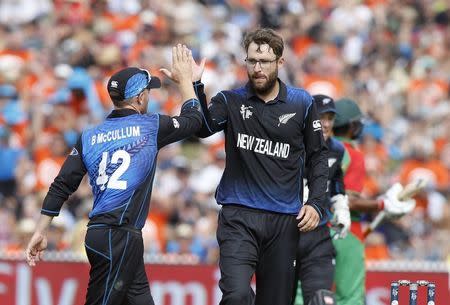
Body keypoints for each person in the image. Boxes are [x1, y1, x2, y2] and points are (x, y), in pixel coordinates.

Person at [25, 44, 203, 305]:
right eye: (148, 92)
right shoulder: (150, 125)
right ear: (140, 97)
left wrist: (41, 229)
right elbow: (194, 120)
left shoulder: (90, 135)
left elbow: (61, 185)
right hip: (118, 234)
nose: (150, 96)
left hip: (103, 233)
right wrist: (187, 82)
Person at [183, 28, 328, 305]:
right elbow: (203, 129)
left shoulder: (301, 103)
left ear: (280, 63)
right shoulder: (230, 100)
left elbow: (318, 157)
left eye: (265, 61)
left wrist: (317, 203)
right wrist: (196, 86)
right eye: (252, 61)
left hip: (284, 220)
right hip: (239, 216)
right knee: (236, 295)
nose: (257, 68)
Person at [331, 98, 416, 305]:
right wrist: (382, 205)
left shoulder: (319, 150)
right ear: (352, 126)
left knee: (304, 293)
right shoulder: (352, 154)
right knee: (349, 297)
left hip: (314, 229)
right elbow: (346, 200)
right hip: (346, 231)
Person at [294, 94, 350, 305]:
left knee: (321, 299)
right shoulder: (293, 143)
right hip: (286, 231)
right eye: (321, 117)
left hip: (318, 235)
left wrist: (341, 209)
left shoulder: (336, 149)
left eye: (330, 118)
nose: (325, 123)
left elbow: (336, 181)